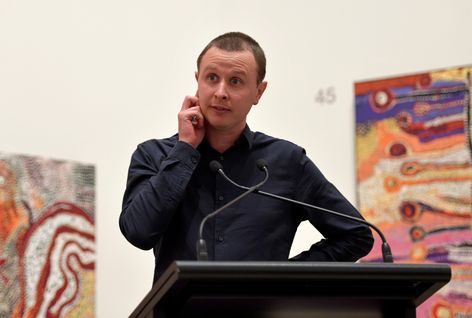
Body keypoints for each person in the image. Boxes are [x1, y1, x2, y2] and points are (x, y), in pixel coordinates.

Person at [119, 32, 374, 284]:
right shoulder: (154, 155)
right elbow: (138, 232)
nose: (221, 92)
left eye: (236, 81)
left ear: (258, 92)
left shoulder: (286, 161)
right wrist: (185, 149)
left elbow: (356, 235)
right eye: (211, 78)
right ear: (197, 81)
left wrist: (283, 279)